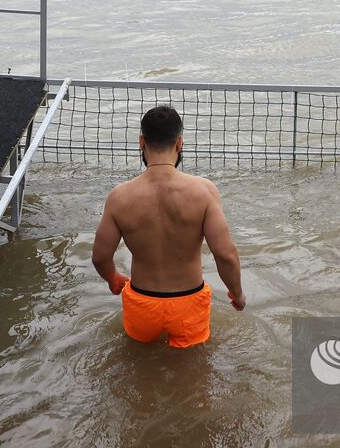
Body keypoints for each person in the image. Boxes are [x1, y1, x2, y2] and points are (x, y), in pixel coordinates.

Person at [92, 106, 245, 348]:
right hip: (189, 302)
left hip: (142, 302)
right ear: (179, 142)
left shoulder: (119, 197)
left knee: (138, 366)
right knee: (194, 375)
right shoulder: (203, 191)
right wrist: (236, 293)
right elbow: (225, 254)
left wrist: (112, 278)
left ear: (142, 142)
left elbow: (100, 256)